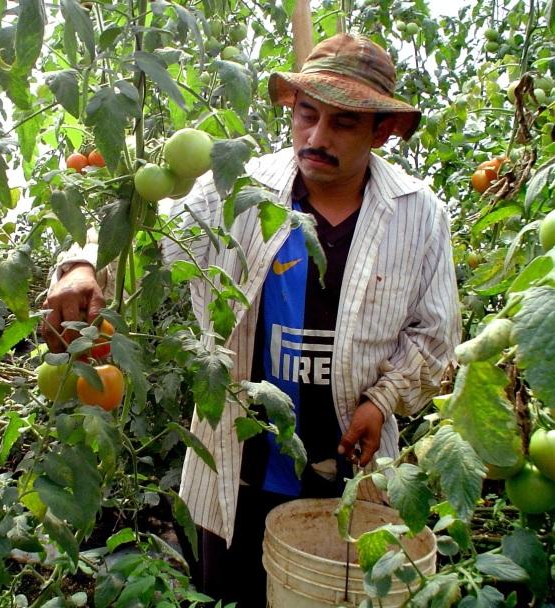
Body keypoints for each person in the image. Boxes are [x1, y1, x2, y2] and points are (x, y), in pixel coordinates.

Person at [43, 33, 460, 607]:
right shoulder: (234, 183)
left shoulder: (418, 214)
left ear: (381, 131)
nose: (316, 138)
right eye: (307, 115)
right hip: (234, 466)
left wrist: (381, 401)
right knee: (232, 594)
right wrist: (82, 265)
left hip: (350, 466)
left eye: (342, 124)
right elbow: (145, 236)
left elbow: (435, 336)